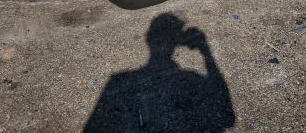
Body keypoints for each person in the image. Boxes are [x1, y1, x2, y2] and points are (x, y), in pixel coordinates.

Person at [84, 13, 235, 132]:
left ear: (148, 39)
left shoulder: (117, 81)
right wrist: (205, 51)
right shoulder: (191, 77)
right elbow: (228, 118)